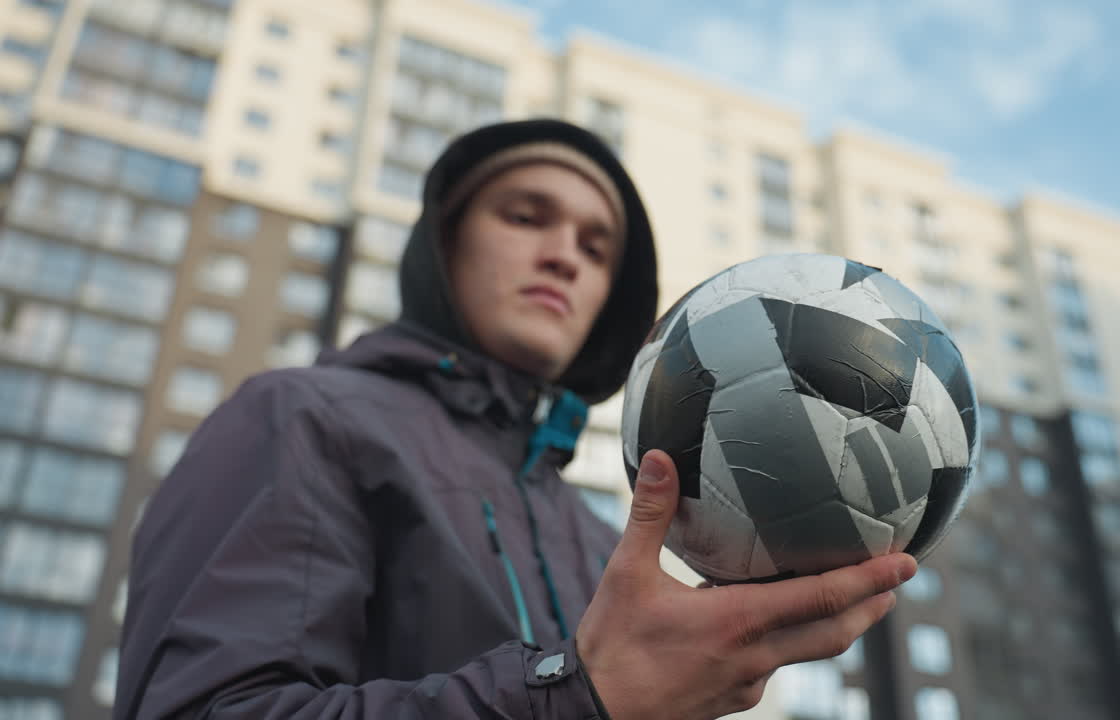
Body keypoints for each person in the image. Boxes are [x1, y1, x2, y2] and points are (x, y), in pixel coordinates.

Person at [114, 119, 916, 720]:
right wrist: (576, 698)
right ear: (445, 242)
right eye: (527, 216)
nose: (566, 255)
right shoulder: (299, 417)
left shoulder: (607, 541)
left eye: (596, 248)